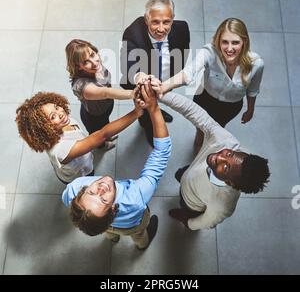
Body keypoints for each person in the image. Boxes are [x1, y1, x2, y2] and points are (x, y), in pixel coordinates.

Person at [62, 82, 172, 250]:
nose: (101, 188)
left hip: (105, 225)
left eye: (91, 192)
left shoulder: (73, 190)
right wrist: (154, 108)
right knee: (139, 233)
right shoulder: (136, 200)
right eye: (104, 199)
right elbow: (161, 153)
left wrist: (137, 112)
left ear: (82, 192)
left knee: (108, 229)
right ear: (113, 209)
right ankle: (142, 245)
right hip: (132, 224)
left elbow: (68, 199)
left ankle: (112, 237)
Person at [155, 91, 270, 230]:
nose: (219, 156)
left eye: (226, 167)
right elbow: (193, 111)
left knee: (185, 209)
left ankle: (183, 214)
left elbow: (207, 222)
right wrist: (160, 94)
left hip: (192, 204)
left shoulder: (223, 204)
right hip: (190, 172)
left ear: (229, 182)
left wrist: (189, 223)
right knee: (179, 174)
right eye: (229, 154)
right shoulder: (226, 141)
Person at [152, 18, 264, 153]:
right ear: (218, 40)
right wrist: (163, 86)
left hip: (231, 107)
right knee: (200, 128)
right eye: (224, 42)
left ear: (244, 42)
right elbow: (187, 73)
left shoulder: (256, 64)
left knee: (218, 129)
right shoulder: (209, 52)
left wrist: (250, 109)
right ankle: (198, 144)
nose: (229, 49)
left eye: (235, 43)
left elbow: (252, 90)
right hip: (205, 99)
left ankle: (207, 147)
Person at [16, 91, 142, 184]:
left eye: (56, 107)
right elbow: (101, 135)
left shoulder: (64, 122)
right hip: (78, 176)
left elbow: (92, 138)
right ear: (43, 128)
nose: (60, 114)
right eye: (52, 117)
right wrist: (136, 113)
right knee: (86, 186)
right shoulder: (61, 149)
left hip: (82, 160)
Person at [120, 0, 190, 146]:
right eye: (155, 22)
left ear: (173, 18)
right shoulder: (132, 33)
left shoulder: (182, 28)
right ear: (146, 20)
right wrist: (139, 76)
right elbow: (127, 63)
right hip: (142, 83)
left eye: (166, 22)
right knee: (145, 110)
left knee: (158, 100)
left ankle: (158, 110)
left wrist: (172, 80)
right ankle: (148, 126)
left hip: (165, 79)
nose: (161, 28)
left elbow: (183, 52)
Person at [66, 39, 136, 151]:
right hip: (94, 117)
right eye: (85, 62)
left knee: (106, 125)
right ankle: (102, 146)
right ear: (78, 66)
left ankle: (107, 136)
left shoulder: (95, 66)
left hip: (104, 108)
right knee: (98, 135)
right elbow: (105, 92)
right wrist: (133, 93)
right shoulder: (83, 86)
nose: (94, 62)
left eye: (92, 55)